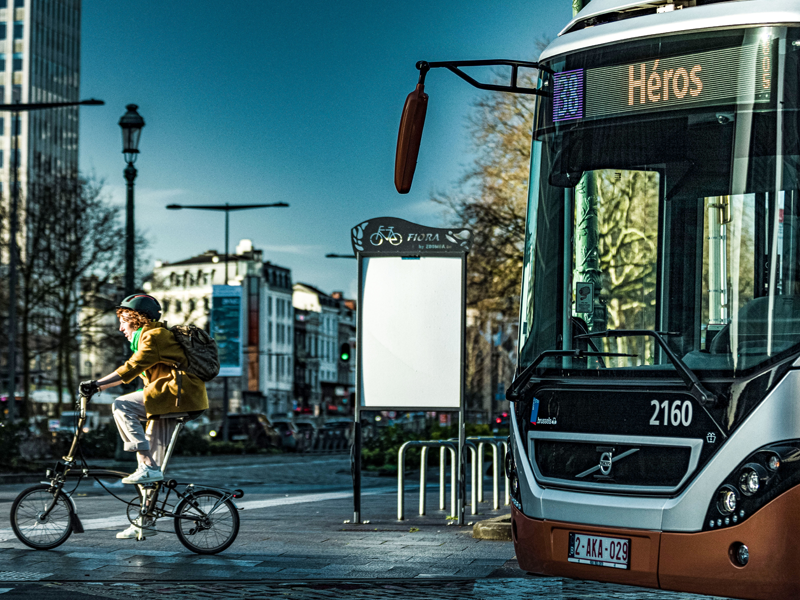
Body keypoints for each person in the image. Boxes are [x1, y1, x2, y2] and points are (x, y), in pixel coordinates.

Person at [79, 293, 209, 539]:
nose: (120, 328)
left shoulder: (154, 336)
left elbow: (131, 368)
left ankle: (147, 466)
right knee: (149, 472)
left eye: (124, 322)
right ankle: (145, 521)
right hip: (169, 400)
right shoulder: (149, 337)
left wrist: (96, 385)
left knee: (122, 405)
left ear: (138, 319)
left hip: (177, 396)